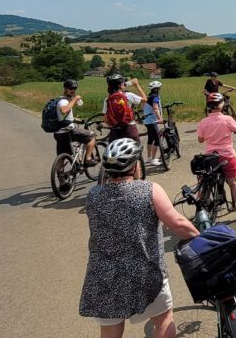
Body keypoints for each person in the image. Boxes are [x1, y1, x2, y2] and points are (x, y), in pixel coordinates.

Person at [79, 138, 199, 338]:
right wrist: (201, 237)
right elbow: (177, 223)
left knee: (110, 331)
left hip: (104, 276)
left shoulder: (93, 195)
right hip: (145, 273)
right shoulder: (148, 190)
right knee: (163, 319)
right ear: (135, 166)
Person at [197, 92, 236, 221]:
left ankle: (199, 210)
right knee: (233, 182)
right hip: (227, 156)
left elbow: (200, 140)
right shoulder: (227, 119)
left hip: (210, 157)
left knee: (205, 181)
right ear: (221, 105)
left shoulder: (203, 122)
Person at [53, 79, 97, 164]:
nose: (73, 90)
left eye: (74, 88)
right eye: (71, 88)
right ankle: (88, 159)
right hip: (68, 132)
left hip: (59, 133)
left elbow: (63, 117)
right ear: (65, 89)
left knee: (62, 156)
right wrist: (75, 99)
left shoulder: (60, 99)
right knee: (91, 136)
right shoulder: (63, 101)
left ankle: (60, 175)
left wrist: (77, 120)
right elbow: (64, 110)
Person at [142, 80, 165, 167]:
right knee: (157, 140)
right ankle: (153, 159)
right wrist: (160, 118)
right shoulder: (155, 97)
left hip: (147, 120)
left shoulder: (149, 96)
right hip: (152, 121)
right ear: (157, 89)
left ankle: (149, 158)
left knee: (150, 139)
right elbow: (156, 108)